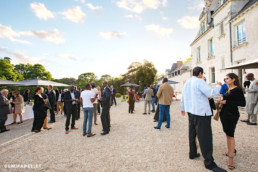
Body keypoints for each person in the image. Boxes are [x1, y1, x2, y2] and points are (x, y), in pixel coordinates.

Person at [180, 66, 226, 172]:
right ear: (200, 73)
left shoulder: (187, 82)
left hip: (191, 111)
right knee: (205, 137)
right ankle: (209, 163)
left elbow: (183, 96)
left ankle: (192, 153)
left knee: (192, 133)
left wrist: (182, 107)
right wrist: (218, 86)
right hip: (200, 112)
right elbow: (210, 93)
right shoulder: (199, 82)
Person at [219, 73, 246, 170]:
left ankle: (231, 158)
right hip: (224, 114)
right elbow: (227, 99)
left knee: (230, 135)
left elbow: (242, 103)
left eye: (227, 78)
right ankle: (230, 150)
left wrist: (227, 102)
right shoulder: (227, 89)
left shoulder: (237, 89)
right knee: (227, 134)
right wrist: (222, 100)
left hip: (231, 115)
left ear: (233, 79)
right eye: (225, 79)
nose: (225, 80)